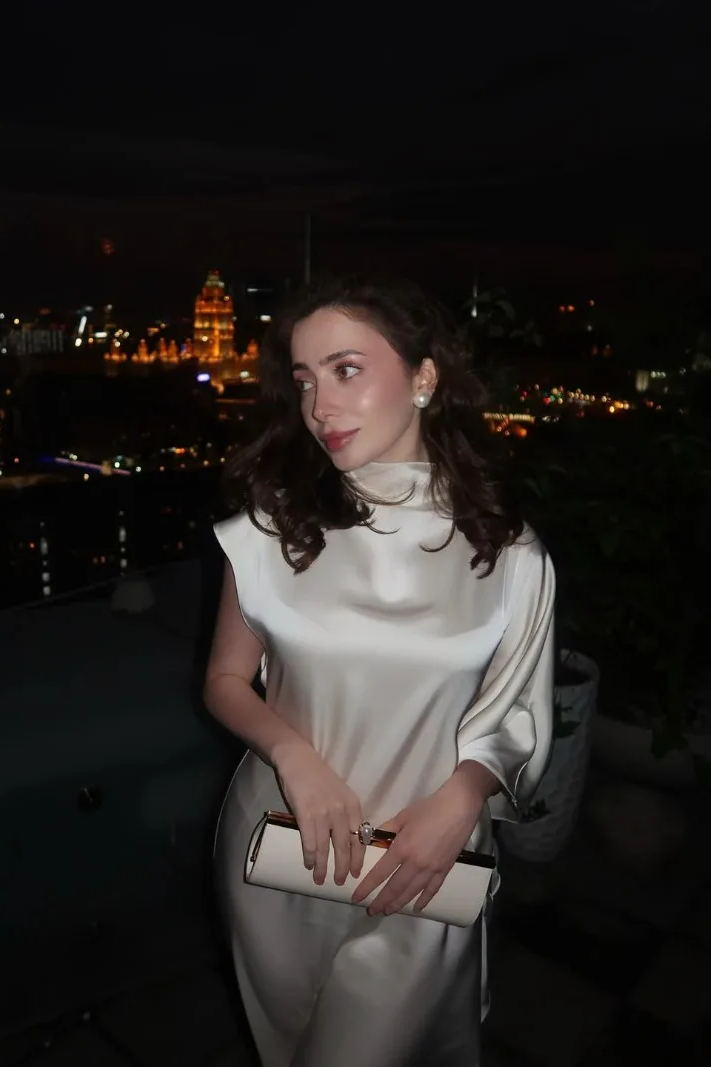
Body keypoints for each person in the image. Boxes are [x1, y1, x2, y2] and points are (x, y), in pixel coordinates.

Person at [203, 276, 555, 1067]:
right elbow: (225, 681)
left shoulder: (509, 553)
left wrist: (462, 798)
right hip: (279, 847)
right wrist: (293, 755)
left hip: (426, 861)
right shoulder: (270, 529)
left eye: (346, 369)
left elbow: (519, 716)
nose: (320, 405)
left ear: (424, 377)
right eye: (305, 380)